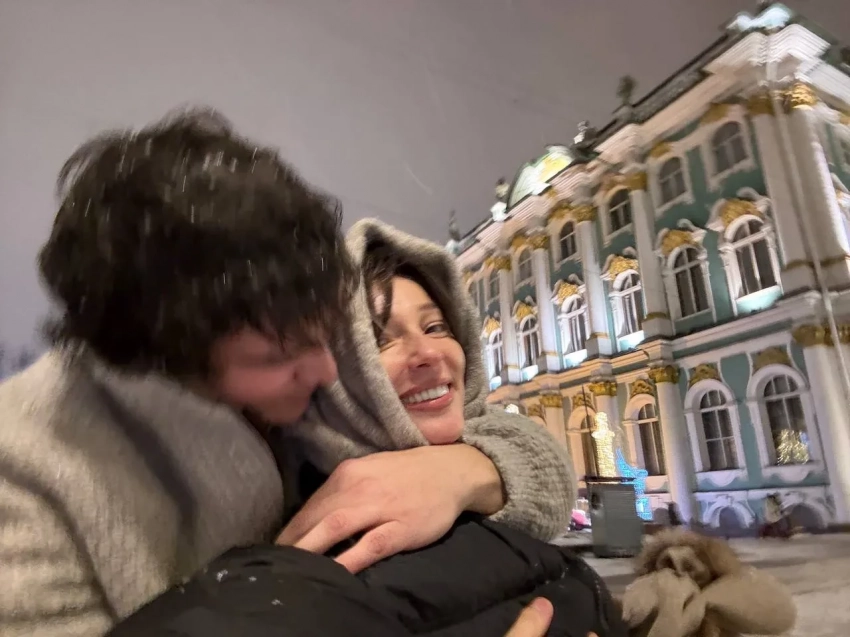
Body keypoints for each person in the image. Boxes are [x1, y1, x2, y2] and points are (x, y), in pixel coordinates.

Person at [0, 109, 573, 636]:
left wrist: (462, 471)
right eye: (279, 355)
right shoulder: (25, 474)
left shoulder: (291, 412)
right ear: (168, 364)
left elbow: (523, 447)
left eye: (326, 335)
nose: (325, 370)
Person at [107, 219, 618, 637]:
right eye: (380, 340)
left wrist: (466, 471)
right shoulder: (272, 525)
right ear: (329, 377)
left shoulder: (497, 469)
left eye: (436, 326)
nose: (428, 353)